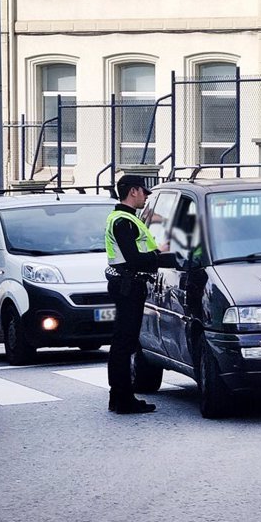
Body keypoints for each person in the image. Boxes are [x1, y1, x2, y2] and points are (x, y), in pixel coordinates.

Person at [105, 175, 177, 414]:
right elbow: (134, 259)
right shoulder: (124, 221)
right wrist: (161, 255)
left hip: (126, 284)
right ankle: (123, 399)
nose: (146, 197)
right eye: (144, 192)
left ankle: (118, 397)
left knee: (122, 343)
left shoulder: (123, 218)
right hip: (129, 285)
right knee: (124, 344)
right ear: (133, 191)